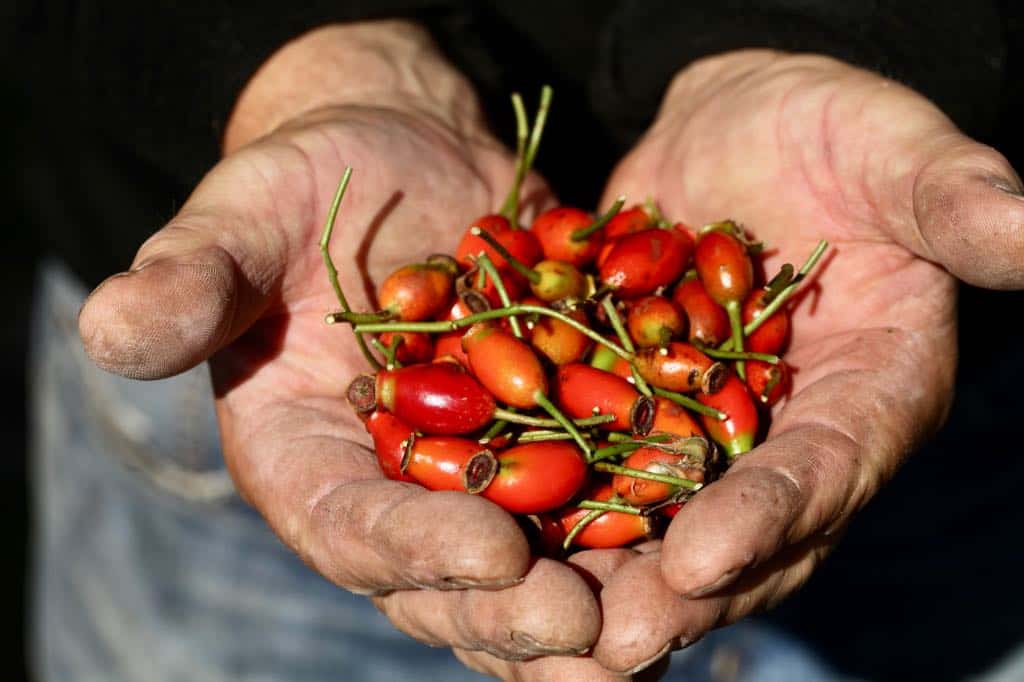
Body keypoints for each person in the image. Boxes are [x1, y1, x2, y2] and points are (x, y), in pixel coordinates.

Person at [24, 2, 1024, 679]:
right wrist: (289, 54)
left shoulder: (607, 337)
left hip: (940, 436)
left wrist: (840, 24)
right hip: (252, 362)